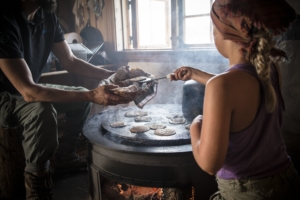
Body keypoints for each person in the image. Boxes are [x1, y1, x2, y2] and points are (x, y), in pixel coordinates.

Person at [0, 0, 133, 199]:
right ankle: (37, 180)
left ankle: (65, 156)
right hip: (5, 97)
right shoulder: (4, 20)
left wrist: (114, 76)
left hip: (29, 89)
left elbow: (70, 61)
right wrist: (92, 94)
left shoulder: (47, 17)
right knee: (41, 111)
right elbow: (28, 91)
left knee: (81, 96)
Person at [171, 0, 300, 199]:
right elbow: (238, 89)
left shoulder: (222, 87)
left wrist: (196, 125)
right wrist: (196, 74)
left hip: (247, 192)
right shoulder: (272, 70)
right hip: (286, 179)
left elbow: (209, 164)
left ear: (222, 34)